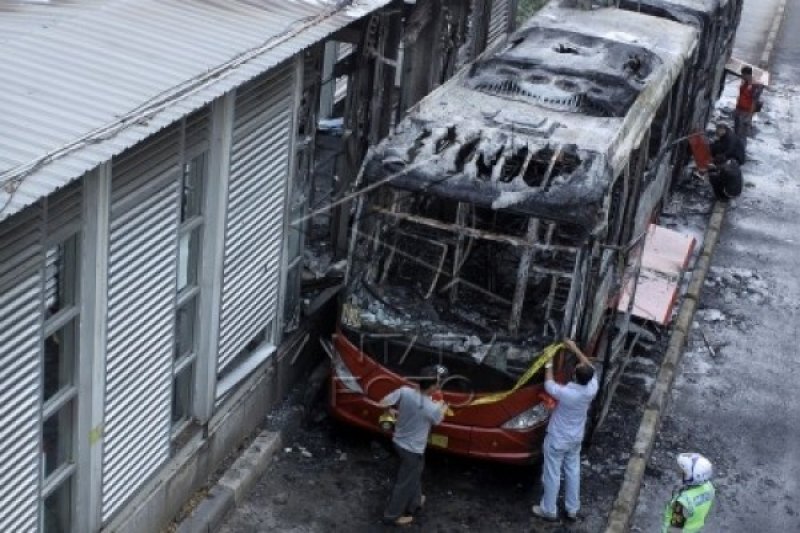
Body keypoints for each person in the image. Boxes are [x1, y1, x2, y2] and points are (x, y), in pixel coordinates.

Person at [532, 339, 599, 523]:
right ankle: (572, 508)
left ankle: (549, 510)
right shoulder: (592, 388)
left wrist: (548, 361)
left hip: (557, 439)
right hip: (575, 438)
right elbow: (588, 366)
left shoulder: (567, 393)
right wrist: (575, 347)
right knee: (573, 471)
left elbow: (548, 383)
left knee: (552, 473)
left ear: (575, 376)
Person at [380, 371, 448, 526]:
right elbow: (438, 421)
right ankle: (392, 516)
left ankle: (416, 501)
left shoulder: (404, 391)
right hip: (413, 450)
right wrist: (443, 407)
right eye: (436, 384)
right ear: (430, 387)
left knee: (415, 472)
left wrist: (390, 412)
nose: (438, 386)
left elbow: (383, 402)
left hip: (398, 441)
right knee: (404, 483)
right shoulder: (433, 408)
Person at [663, 453, 715, 532]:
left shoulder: (683, 502)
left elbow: (675, 529)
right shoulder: (709, 487)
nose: (679, 472)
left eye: (684, 472)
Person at [734, 66, 764, 142]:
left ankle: (741, 150)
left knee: (742, 134)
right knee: (736, 131)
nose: (742, 77)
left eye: (743, 75)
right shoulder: (745, 83)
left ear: (748, 75)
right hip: (739, 109)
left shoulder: (756, 86)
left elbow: (754, 102)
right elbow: (741, 96)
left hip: (746, 112)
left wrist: (749, 116)